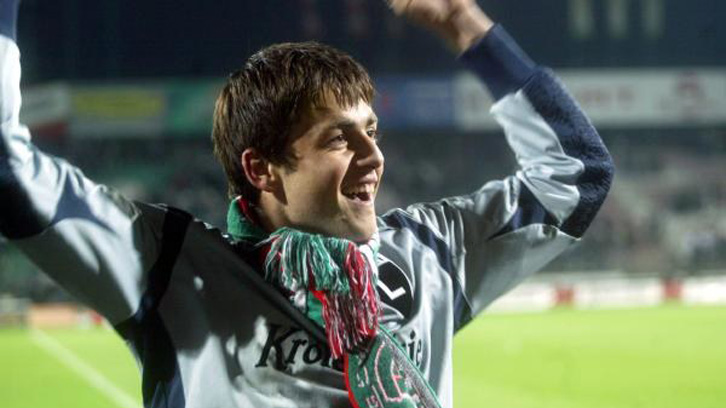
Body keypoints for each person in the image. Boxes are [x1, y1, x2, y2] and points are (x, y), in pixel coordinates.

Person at [1, 0, 614, 407]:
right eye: (339, 138)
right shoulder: (174, 269)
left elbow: (577, 175)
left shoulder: (428, 253)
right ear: (261, 169)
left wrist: (462, 22)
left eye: (373, 130)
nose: (374, 156)